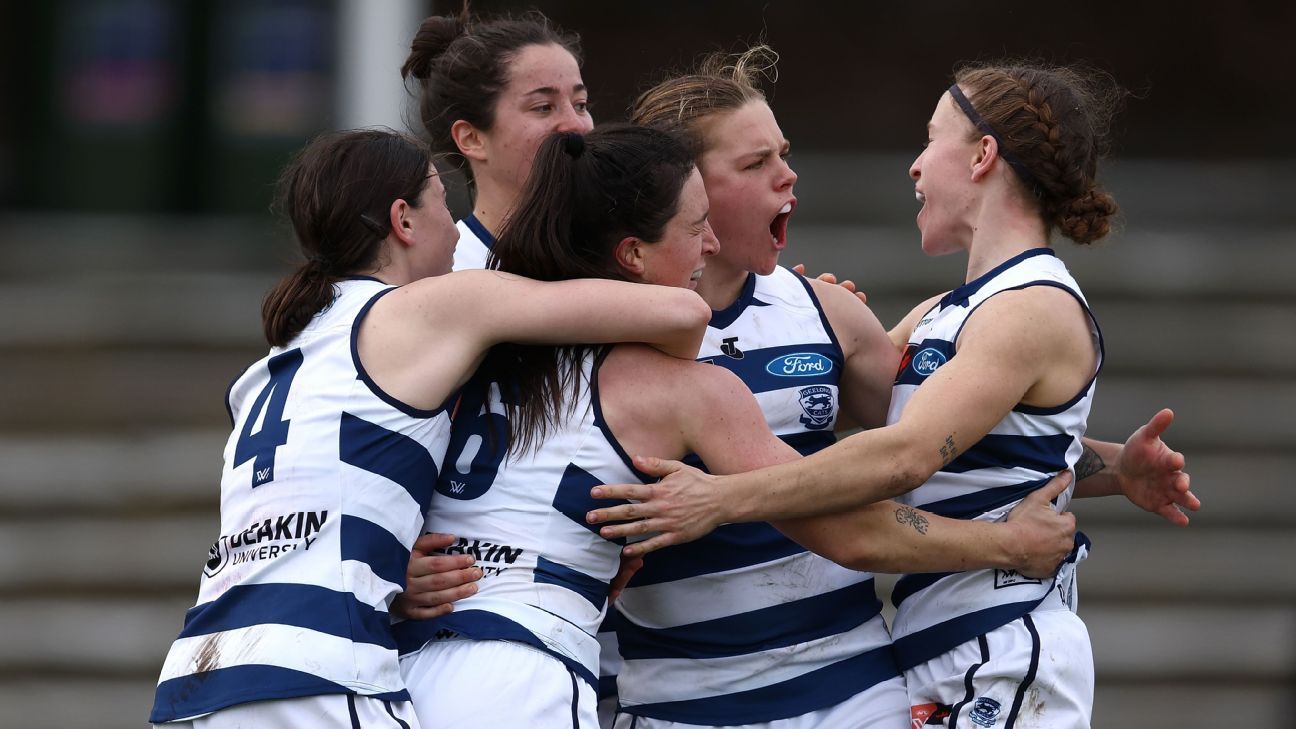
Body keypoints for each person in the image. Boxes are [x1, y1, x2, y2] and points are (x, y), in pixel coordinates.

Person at [389, 124, 1078, 729]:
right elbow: (850, 526)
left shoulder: (467, 347)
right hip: (549, 673)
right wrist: (1008, 544)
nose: (712, 243)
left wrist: (395, 567)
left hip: (417, 672)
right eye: (697, 226)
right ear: (631, 253)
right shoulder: (685, 384)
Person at [589, 62, 1201, 728]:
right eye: (757, 160)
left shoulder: (837, 312)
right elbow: (978, 438)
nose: (789, 175)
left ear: (984, 156)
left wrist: (717, 500)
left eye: (784, 154)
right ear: (685, 188)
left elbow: (916, 448)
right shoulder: (602, 334)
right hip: (696, 697)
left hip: (901, 678)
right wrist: (1114, 469)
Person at [147, 128, 714, 728]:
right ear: (404, 220)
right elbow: (683, 312)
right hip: (319, 672)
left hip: (197, 679)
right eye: (444, 202)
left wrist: (391, 570)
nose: (458, 226)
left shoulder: (274, 362)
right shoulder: (433, 307)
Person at [402, 7, 592, 271]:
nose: (576, 125)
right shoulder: (442, 274)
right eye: (543, 107)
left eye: (581, 104)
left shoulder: (629, 251)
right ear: (471, 139)